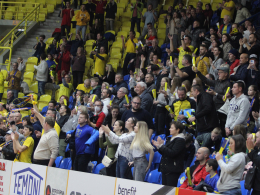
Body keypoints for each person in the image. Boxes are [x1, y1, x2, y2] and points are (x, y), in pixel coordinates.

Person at [153, 121, 186, 186]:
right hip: (166, 168)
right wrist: (159, 146)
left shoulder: (180, 140)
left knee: (170, 190)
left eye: (172, 128)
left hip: (173, 170)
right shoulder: (170, 139)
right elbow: (165, 153)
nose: (169, 129)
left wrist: (161, 146)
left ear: (178, 130)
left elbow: (172, 153)